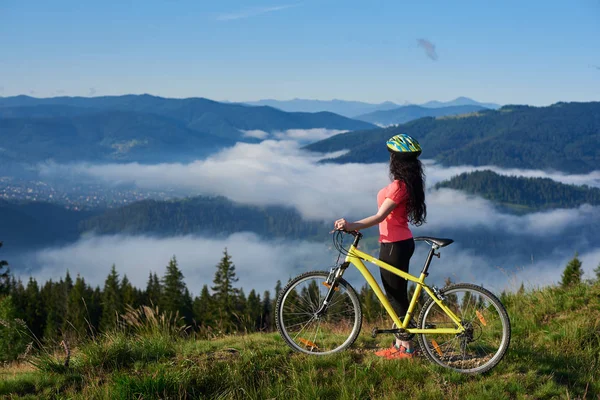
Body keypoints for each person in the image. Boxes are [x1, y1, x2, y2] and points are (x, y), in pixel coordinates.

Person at [333, 133, 426, 360]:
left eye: (392, 155)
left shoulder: (399, 187)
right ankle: (399, 345)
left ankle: (407, 348)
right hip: (398, 242)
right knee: (395, 295)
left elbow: (379, 216)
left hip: (394, 245)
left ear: (397, 160)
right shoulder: (405, 185)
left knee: (395, 297)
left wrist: (350, 225)